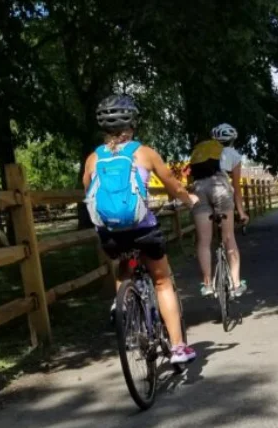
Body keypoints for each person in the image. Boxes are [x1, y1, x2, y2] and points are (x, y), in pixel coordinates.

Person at [83, 94, 199, 363]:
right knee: (162, 280)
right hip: (143, 229)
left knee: (123, 262)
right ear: (132, 124)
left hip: (110, 234)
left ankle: (123, 305)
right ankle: (179, 348)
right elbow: (172, 183)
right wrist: (188, 199)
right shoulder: (143, 153)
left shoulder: (92, 159)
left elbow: (88, 191)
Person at [188, 123, 248, 297]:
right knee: (229, 238)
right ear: (232, 140)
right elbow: (236, 188)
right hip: (220, 188)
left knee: (204, 241)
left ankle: (207, 284)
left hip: (199, 190)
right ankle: (236, 285)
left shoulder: (202, 152)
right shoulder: (233, 155)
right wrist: (242, 212)